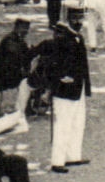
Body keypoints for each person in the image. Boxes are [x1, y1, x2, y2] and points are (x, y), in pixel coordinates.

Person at [37, 22, 91, 173]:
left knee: (77, 122)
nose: (79, 21)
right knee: (63, 125)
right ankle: (57, 161)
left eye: (80, 16)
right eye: (75, 17)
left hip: (77, 88)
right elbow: (48, 65)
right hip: (64, 89)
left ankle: (73, 155)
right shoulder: (59, 42)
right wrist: (58, 79)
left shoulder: (77, 38)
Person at [0, 17, 35, 116]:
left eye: (27, 29)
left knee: (30, 76)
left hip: (10, 72)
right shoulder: (9, 40)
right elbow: (13, 59)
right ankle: (27, 106)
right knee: (29, 79)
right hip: (3, 77)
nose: (26, 31)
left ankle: (28, 104)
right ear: (17, 27)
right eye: (24, 28)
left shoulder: (18, 40)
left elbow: (24, 55)